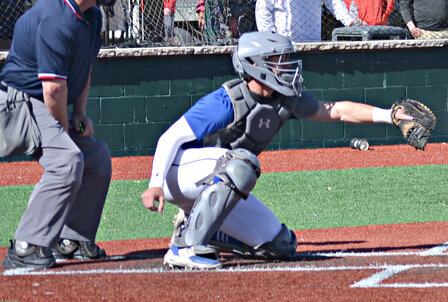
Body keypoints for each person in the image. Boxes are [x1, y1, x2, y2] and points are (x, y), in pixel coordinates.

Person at [140, 31, 421, 269]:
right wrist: (155, 185)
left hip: (219, 178)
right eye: (277, 61)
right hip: (178, 175)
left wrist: (389, 115)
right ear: (255, 65)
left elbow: (336, 111)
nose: (286, 67)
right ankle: (185, 248)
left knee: (281, 245)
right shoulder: (227, 100)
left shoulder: (284, 98)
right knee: (242, 163)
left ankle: (198, 227)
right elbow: (170, 137)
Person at [1, 0, 120, 269]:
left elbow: (83, 69)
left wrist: (79, 113)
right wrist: (65, 131)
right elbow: (52, 88)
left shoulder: (91, 15)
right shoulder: (56, 18)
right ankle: (27, 244)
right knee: (67, 160)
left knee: (96, 159)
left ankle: (72, 239)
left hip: (43, 100)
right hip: (16, 104)